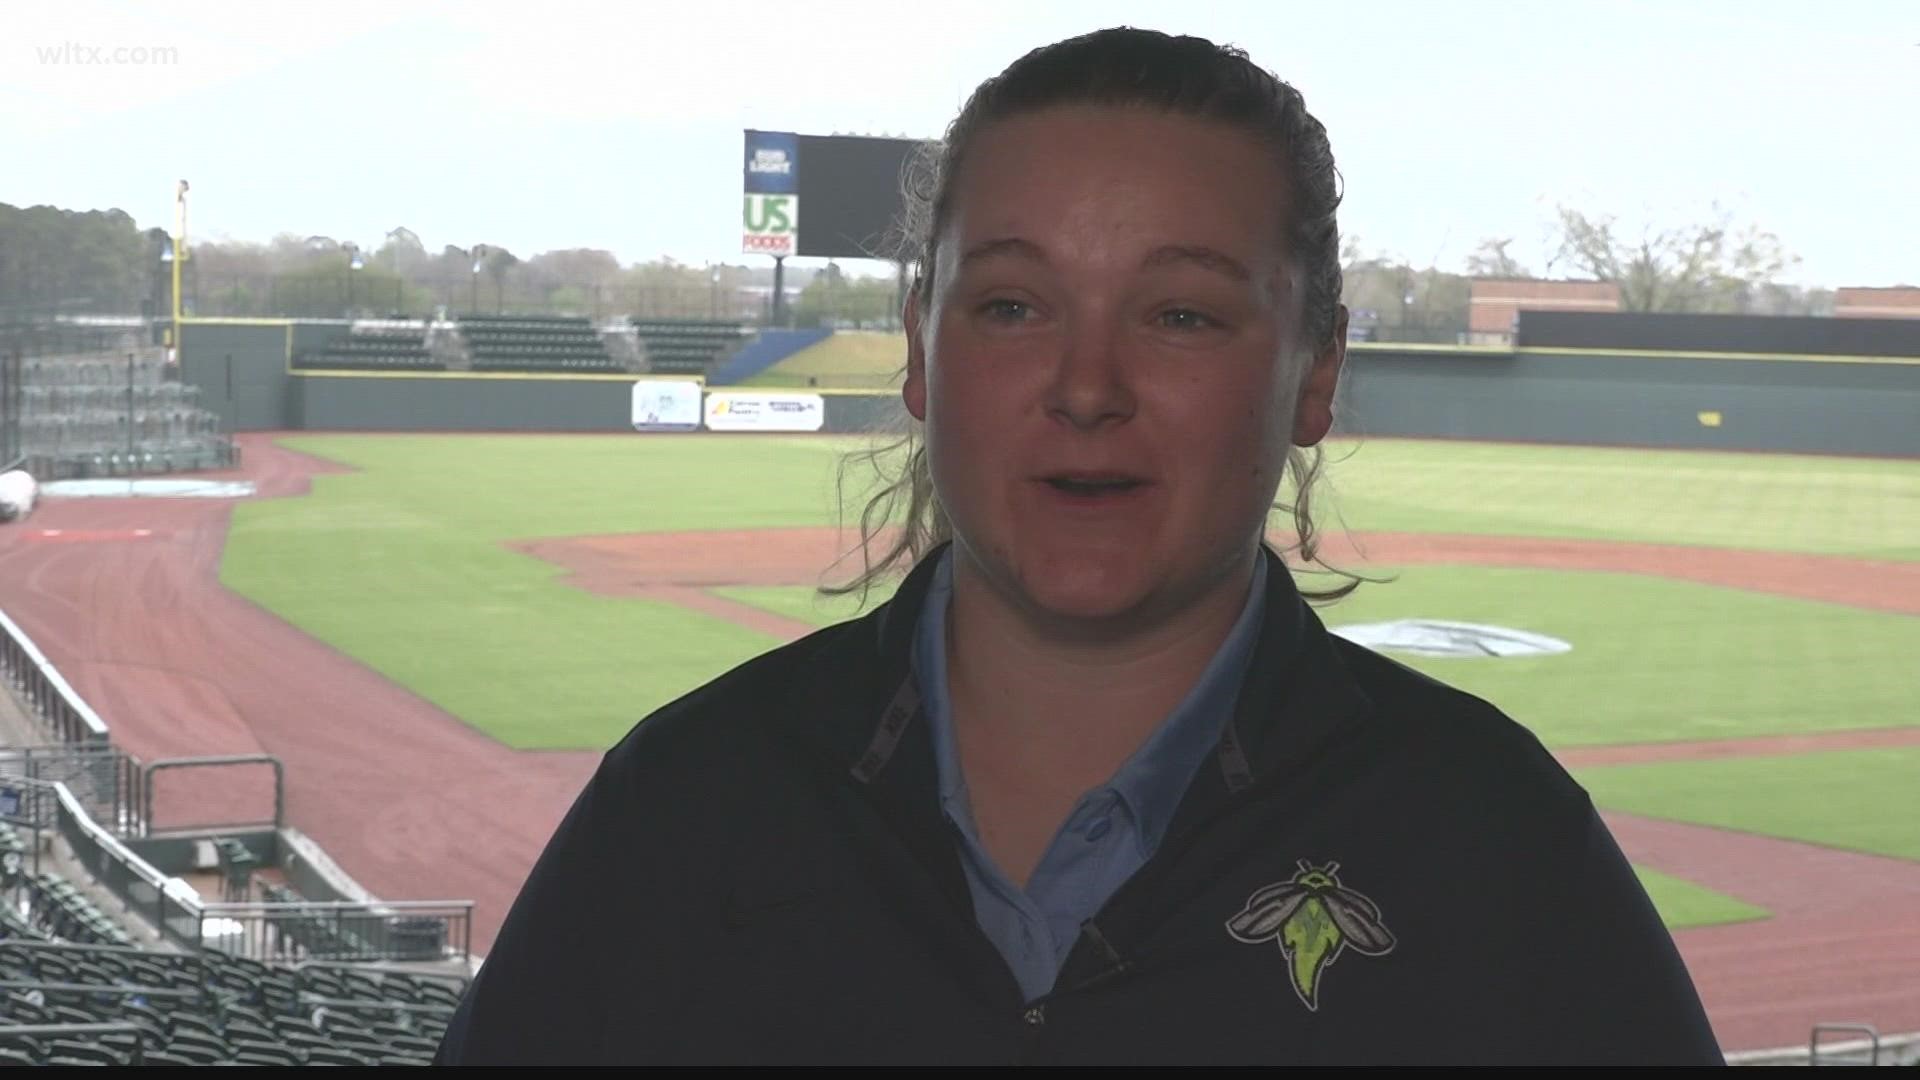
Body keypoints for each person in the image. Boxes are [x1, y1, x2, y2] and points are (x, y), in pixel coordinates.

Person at [435, 28, 1723, 1065]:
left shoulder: (1495, 846)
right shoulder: (684, 806)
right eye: (1010, 304)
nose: (1088, 384)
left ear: (1315, 370)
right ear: (922, 351)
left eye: (1179, 312)